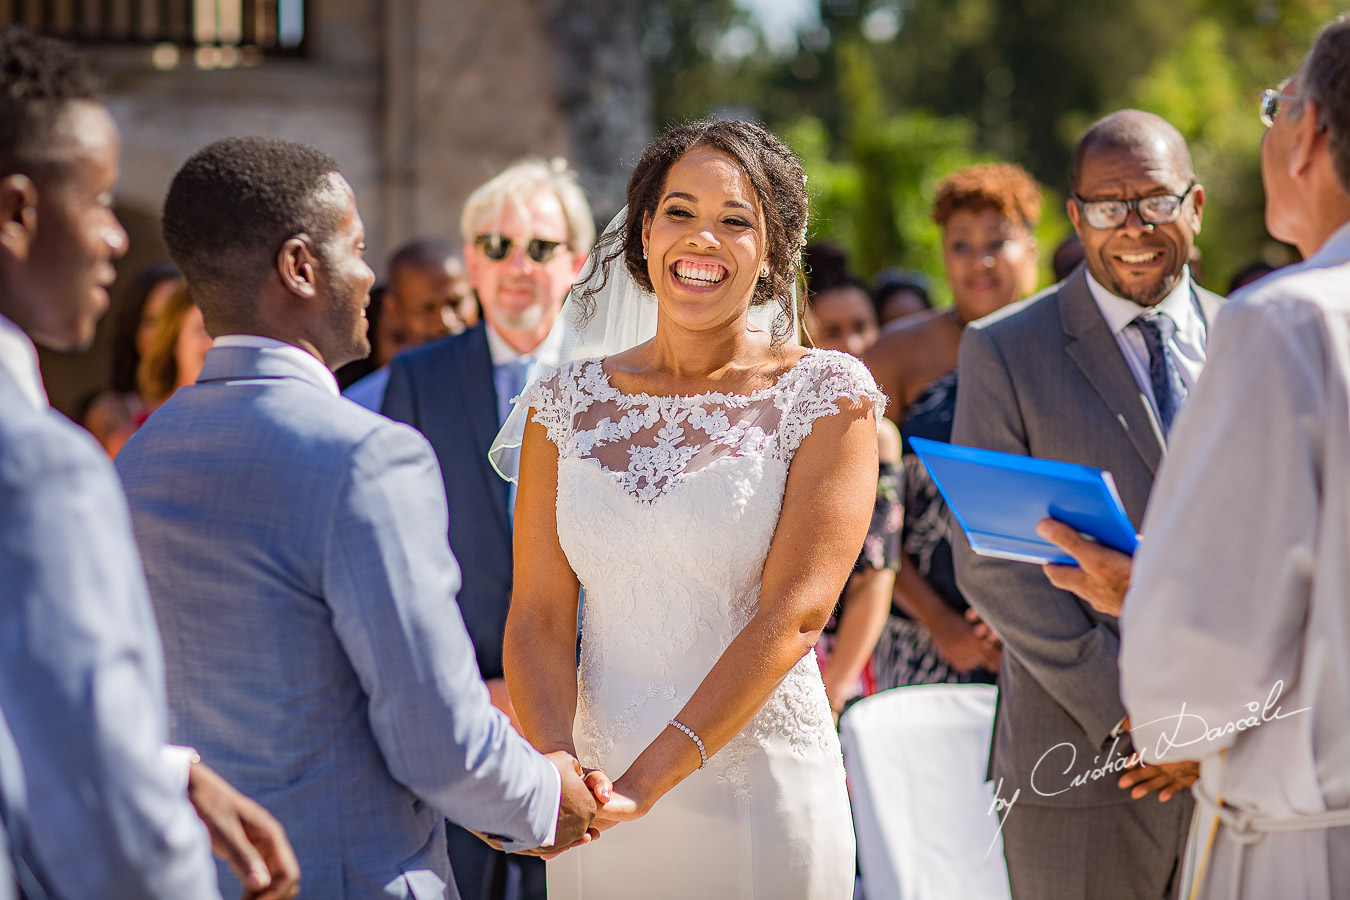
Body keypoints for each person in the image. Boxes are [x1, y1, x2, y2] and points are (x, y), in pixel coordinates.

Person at [114, 135, 605, 898]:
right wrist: (549, 802)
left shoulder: (137, 461)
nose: (372, 276)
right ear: (302, 268)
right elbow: (437, 740)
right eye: (358, 248)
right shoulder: (367, 458)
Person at [503, 118, 883, 899]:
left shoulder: (827, 395)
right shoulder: (564, 405)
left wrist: (650, 780)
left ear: (774, 252)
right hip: (596, 800)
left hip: (755, 791)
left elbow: (796, 614)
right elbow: (538, 611)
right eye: (679, 212)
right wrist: (555, 769)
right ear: (644, 232)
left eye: (735, 221)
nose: (700, 239)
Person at [1042, 16, 1350, 900]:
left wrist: (1143, 600)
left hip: (1310, 845)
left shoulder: (1288, 322)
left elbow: (1194, 684)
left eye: (1274, 107)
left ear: (1313, 135)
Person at [0, 26, 297, 899]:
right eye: (96, 199)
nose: (114, 236)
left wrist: (170, 769)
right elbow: (109, 808)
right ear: (16, 211)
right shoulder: (42, 465)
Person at [950, 111, 1224, 900]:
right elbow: (995, 566)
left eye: (1156, 202)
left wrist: (1215, 720)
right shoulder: (1004, 348)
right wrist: (1144, 714)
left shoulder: (1249, 338)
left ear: (1196, 207)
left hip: (1239, 758)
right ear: (1075, 216)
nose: (1132, 227)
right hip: (1083, 764)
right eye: (1108, 206)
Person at [382, 158, 593, 900]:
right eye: (496, 246)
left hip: (591, 706)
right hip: (463, 702)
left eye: (539, 247)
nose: (516, 265)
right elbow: (400, 548)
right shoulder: (417, 377)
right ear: (471, 260)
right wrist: (477, 688)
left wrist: (546, 686)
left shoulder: (618, 378)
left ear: (574, 262)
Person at [862, 162, 1040, 690]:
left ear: (1031, 248)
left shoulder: (1071, 348)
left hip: (1046, 630)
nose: (978, 261)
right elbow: (855, 508)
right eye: (960, 244)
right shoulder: (897, 354)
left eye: (997, 242)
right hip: (922, 635)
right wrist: (938, 620)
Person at [803, 267, 903, 716]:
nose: (852, 344)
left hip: (836, 661)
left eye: (862, 326)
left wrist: (837, 685)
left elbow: (877, 569)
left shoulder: (879, 437)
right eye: (834, 330)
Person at [344, 239, 474, 410]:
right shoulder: (363, 408)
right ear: (394, 310)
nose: (446, 322)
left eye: (456, 303)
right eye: (426, 309)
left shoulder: (512, 378)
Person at [80, 260, 181, 455]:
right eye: (153, 322)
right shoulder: (112, 410)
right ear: (133, 331)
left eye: (174, 320)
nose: (165, 333)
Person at [136, 281, 213, 413]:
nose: (214, 341)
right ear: (173, 340)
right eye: (203, 329)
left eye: (223, 332)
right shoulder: (143, 429)